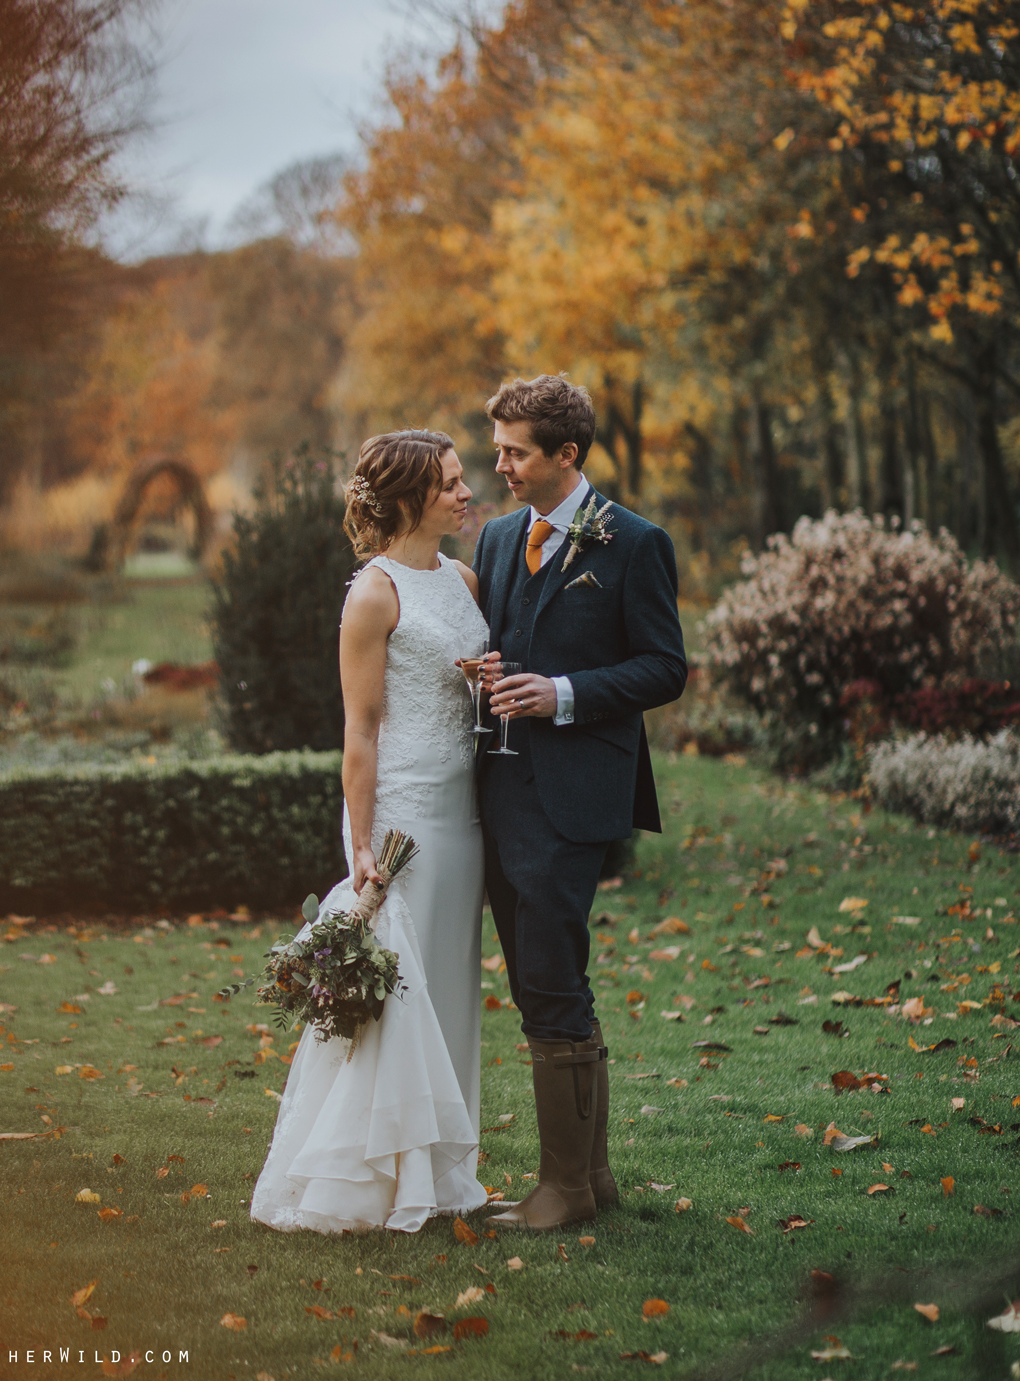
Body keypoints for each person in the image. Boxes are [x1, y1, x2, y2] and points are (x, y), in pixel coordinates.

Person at [249, 430, 491, 1235]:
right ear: (409, 499)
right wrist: (360, 847)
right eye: (450, 484)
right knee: (399, 997)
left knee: (448, 990)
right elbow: (359, 730)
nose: (466, 493)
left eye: (464, 480)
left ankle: (443, 1170)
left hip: (463, 817)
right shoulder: (373, 593)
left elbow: (469, 692)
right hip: (402, 817)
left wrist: (487, 682)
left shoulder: (462, 579)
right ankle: (369, 1183)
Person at [472, 375, 687, 1231]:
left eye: (515, 451)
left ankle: (560, 1187)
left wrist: (560, 692)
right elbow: (497, 641)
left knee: (549, 975)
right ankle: (589, 1180)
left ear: (566, 454)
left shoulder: (632, 543)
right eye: (495, 449)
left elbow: (663, 667)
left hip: (572, 797)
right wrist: (483, 671)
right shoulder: (493, 539)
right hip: (497, 792)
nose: (500, 466)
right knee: (542, 981)